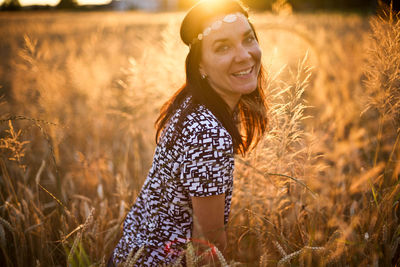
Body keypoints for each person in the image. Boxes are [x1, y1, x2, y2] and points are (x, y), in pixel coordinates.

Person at [110, 0, 268, 265]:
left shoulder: (195, 107)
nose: (243, 55)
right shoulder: (208, 134)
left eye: (248, 39)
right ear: (201, 67)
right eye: (223, 47)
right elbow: (209, 247)